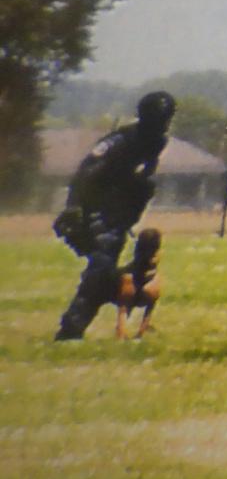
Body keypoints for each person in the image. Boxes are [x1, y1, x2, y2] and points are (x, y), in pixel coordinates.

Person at [52, 90, 174, 340]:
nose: (162, 125)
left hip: (118, 217)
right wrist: (74, 207)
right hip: (93, 209)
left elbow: (144, 177)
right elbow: (87, 171)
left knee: (105, 274)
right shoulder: (121, 140)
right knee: (102, 269)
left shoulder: (157, 143)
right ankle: (71, 329)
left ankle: (81, 323)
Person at [115, 227, 164, 339]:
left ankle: (121, 334)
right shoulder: (156, 256)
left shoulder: (139, 253)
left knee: (123, 309)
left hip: (130, 279)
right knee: (150, 306)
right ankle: (141, 332)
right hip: (150, 283)